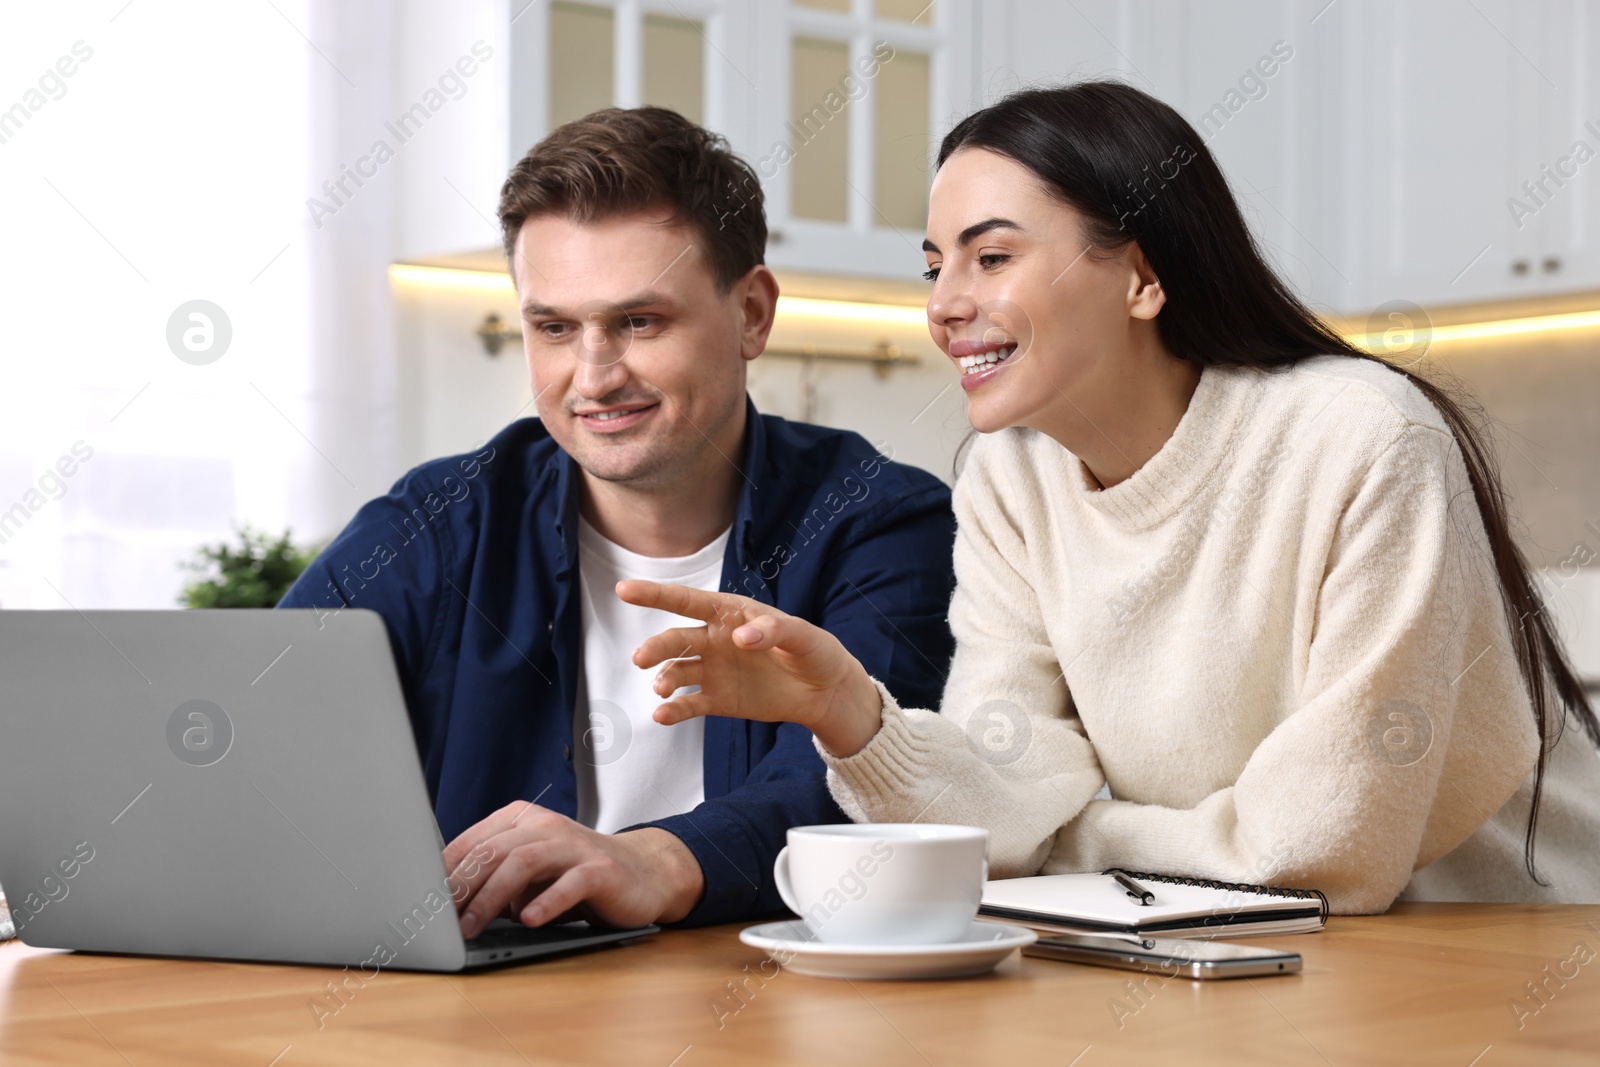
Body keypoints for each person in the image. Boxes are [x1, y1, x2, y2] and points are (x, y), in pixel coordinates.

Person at [623, 82, 1600, 913]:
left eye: (990, 256)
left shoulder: (1361, 440)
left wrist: (1071, 843)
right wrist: (854, 715)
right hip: (1216, 949)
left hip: (1502, 944)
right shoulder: (1012, 479)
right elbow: (1004, 802)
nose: (942, 304)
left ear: (1139, 278)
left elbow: (1316, 857)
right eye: (934, 265)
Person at [279, 106, 956, 933]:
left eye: (638, 321)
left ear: (751, 314)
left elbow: (868, 783)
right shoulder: (434, 524)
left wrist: (657, 859)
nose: (593, 376)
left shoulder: (885, 526)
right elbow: (268, 736)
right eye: (555, 328)